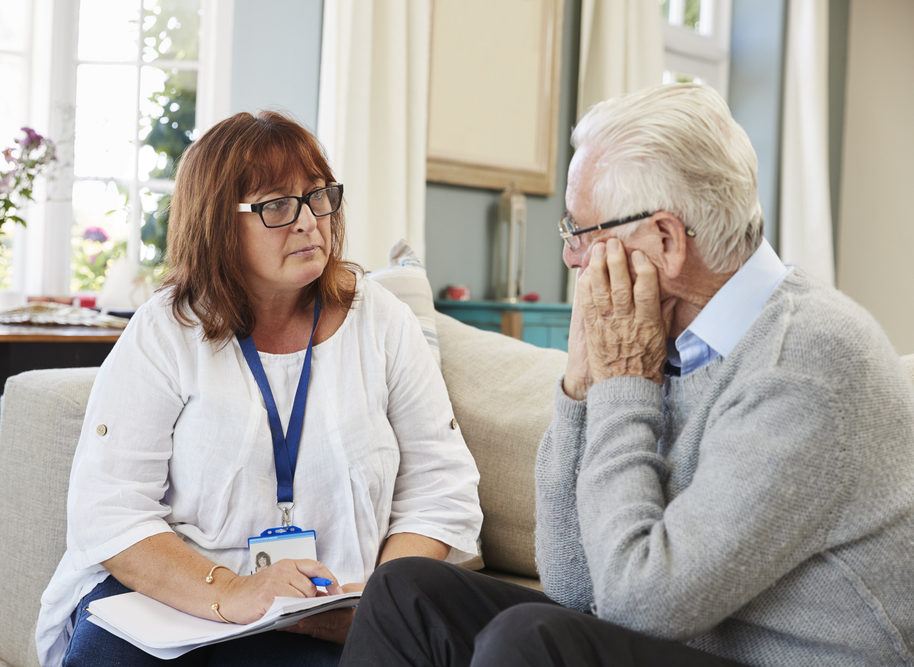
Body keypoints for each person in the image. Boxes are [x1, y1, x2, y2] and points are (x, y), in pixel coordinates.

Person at [338, 83, 914, 667]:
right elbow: (571, 583)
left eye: (580, 232)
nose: (569, 257)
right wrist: (580, 391)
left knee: (530, 641)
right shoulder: (665, 340)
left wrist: (623, 387)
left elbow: (640, 605)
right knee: (406, 592)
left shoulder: (804, 363)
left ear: (664, 239)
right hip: (678, 640)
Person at [35, 110, 483, 667]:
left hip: (334, 614)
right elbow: (109, 510)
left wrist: (378, 610)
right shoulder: (165, 331)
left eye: (318, 196)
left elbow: (441, 490)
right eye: (276, 205)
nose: (308, 221)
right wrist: (231, 591)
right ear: (216, 223)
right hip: (178, 603)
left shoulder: (381, 321)